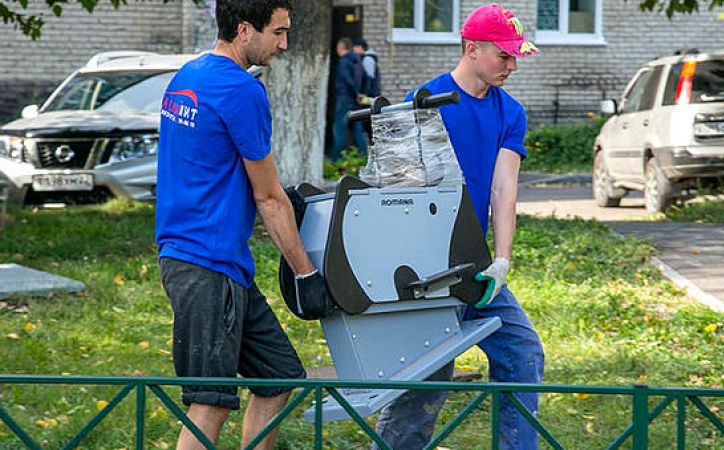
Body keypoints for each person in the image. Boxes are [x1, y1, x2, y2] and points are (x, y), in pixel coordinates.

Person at [155, 0, 329, 448]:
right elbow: (268, 197)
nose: (284, 44)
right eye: (278, 32)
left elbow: (207, 163)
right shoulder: (241, 90)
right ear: (245, 29)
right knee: (210, 402)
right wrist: (305, 272)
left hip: (205, 258)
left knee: (278, 376)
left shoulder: (188, 77)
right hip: (206, 263)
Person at [372, 4, 544, 450]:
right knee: (429, 374)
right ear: (472, 48)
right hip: (426, 269)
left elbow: (504, 190)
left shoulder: (511, 112)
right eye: (503, 56)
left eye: (515, 57)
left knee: (523, 353)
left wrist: (501, 259)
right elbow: (396, 193)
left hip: (475, 266)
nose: (512, 65)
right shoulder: (425, 101)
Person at [331, 37, 368, 159]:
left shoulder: (344, 62)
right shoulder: (357, 61)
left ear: (341, 47)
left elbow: (347, 80)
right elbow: (364, 78)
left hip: (345, 98)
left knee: (339, 128)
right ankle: (364, 156)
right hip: (355, 100)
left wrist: (354, 93)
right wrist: (359, 94)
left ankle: (337, 158)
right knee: (357, 127)